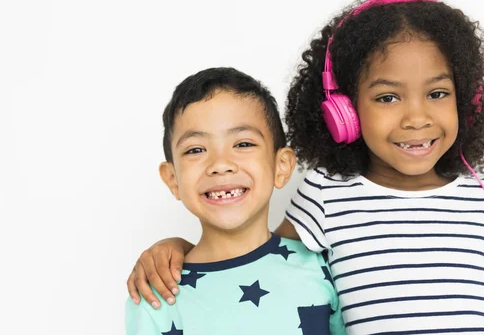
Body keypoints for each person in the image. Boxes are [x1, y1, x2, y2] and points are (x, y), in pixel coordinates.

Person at [127, 0, 484, 334]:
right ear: (342, 111)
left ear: (466, 99)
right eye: (387, 97)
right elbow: (258, 252)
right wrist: (179, 249)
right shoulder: (327, 194)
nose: (417, 118)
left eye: (437, 93)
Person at [125, 67, 346, 335]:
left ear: (281, 166)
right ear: (173, 179)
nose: (220, 164)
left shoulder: (322, 267)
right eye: (196, 150)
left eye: (242, 144)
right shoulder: (156, 294)